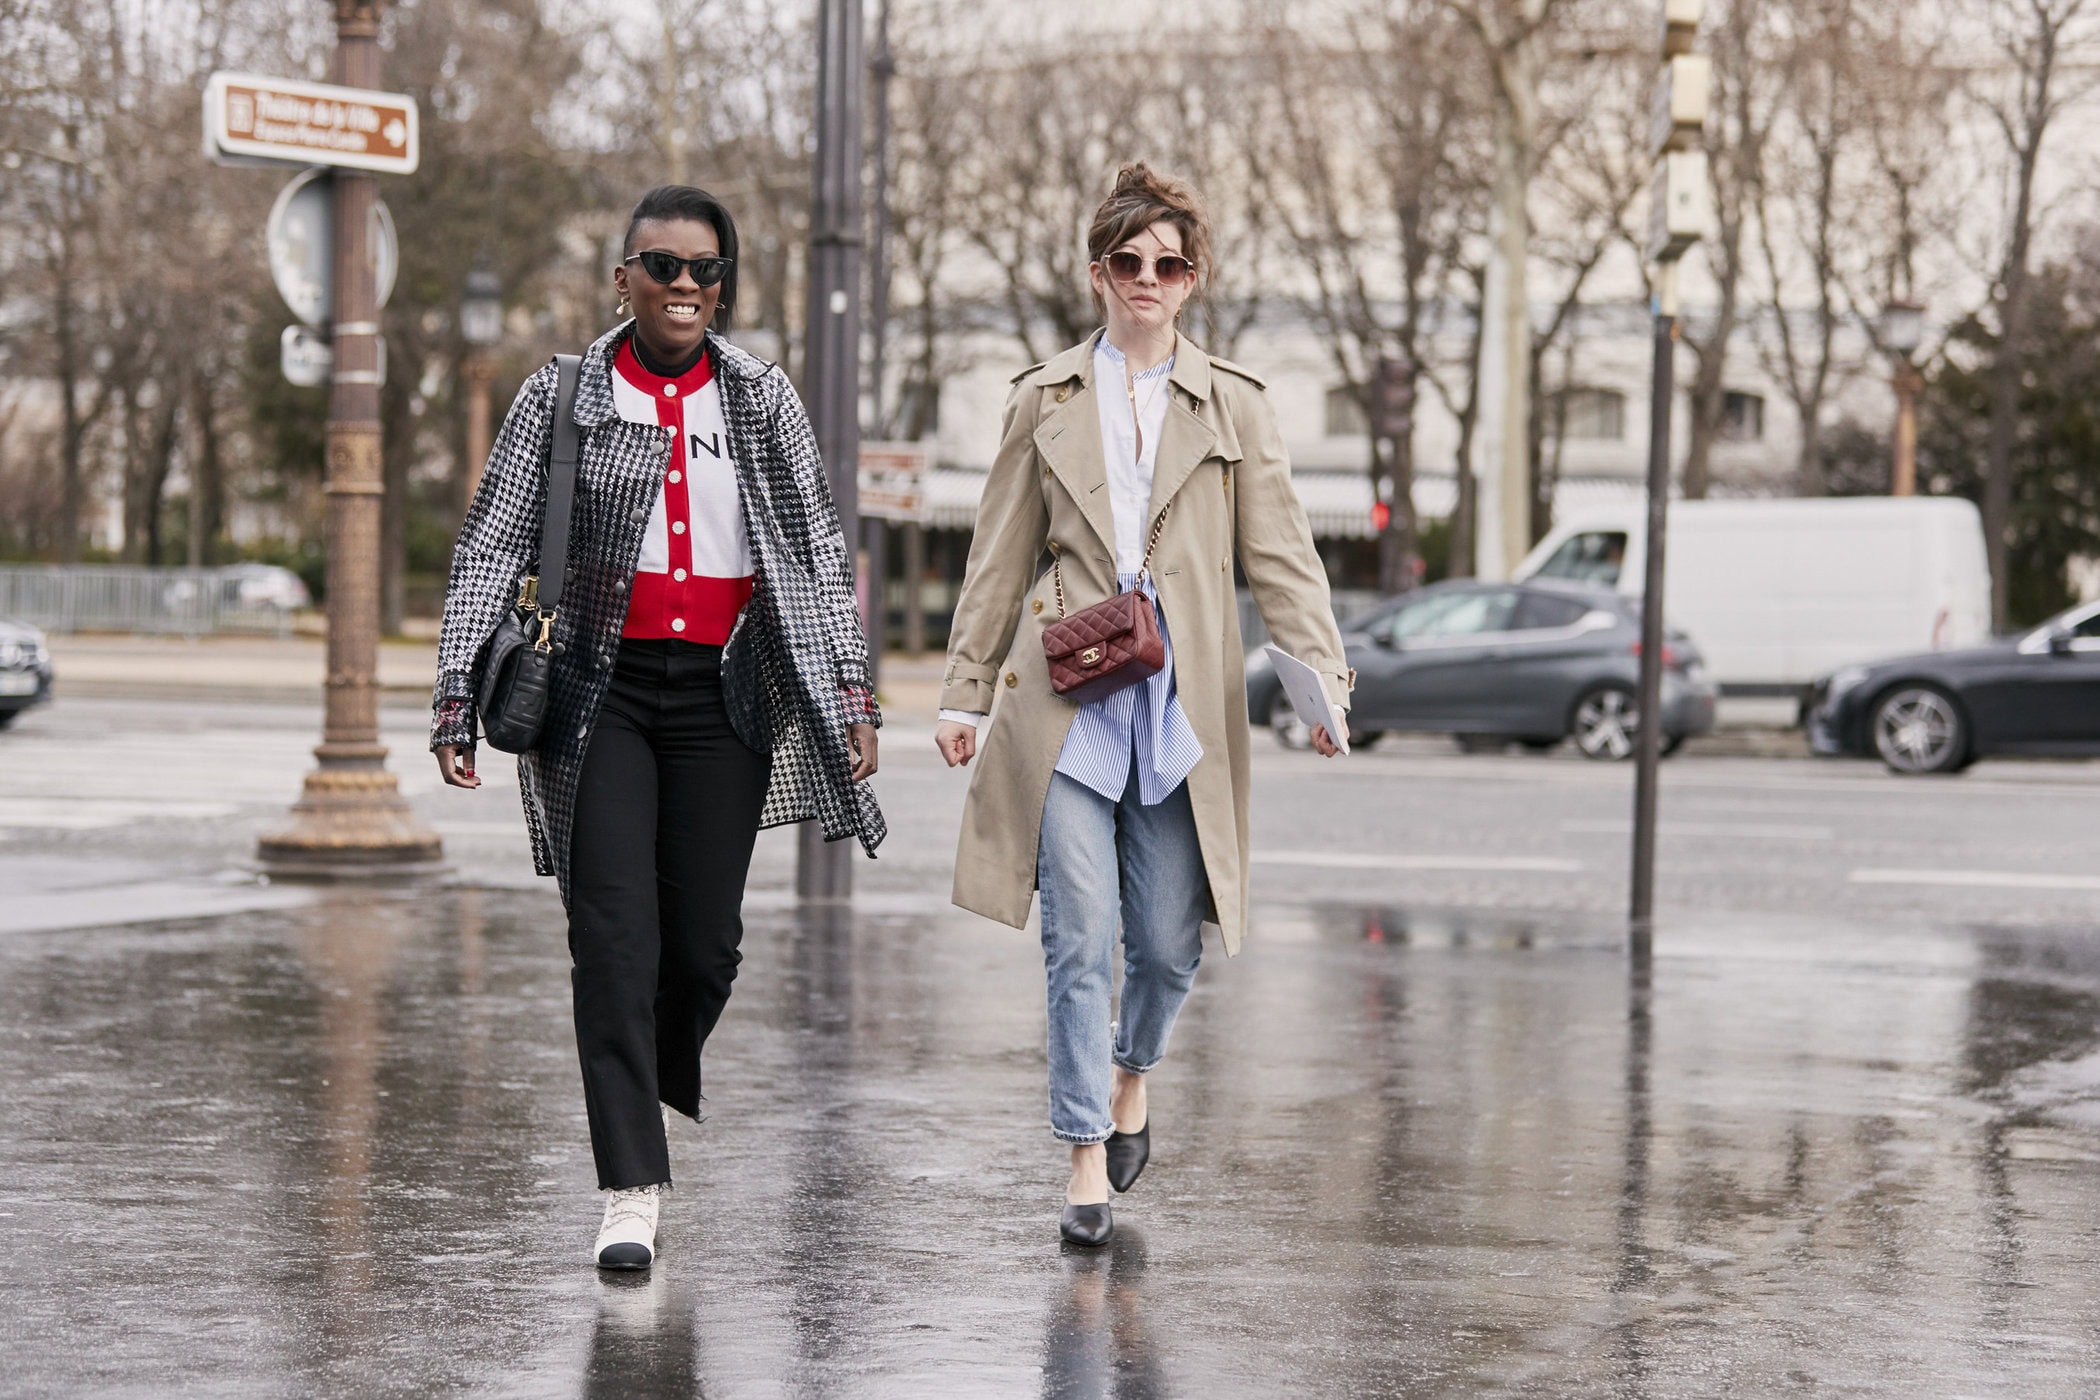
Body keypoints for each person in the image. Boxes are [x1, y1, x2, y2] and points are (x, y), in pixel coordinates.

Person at [430, 184, 884, 1270]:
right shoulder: (565, 394)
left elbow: (819, 553)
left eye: (705, 270)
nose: (685, 286)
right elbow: (492, 541)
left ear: (724, 286)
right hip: (600, 696)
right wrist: (456, 689)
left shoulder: (762, 398)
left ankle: (650, 1064)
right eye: (663, 265)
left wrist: (850, 692)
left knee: (704, 947)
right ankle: (631, 1183)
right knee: (613, 942)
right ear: (622, 274)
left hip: (726, 694)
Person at [934, 164, 1351, 1247]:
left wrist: (1323, 681)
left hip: (1179, 703)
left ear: (1193, 278)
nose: (1148, 279)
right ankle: (1082, 1154)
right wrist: (965, 691)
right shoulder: (1043, 399)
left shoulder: (1236, 407)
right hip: (1066, 698)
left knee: (1166, 944)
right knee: (1081, 935)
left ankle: (1131, 1074)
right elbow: (997, 555)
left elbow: (1286, 560)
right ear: (1097, 272)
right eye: (1128, 261)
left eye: (1169, 263)